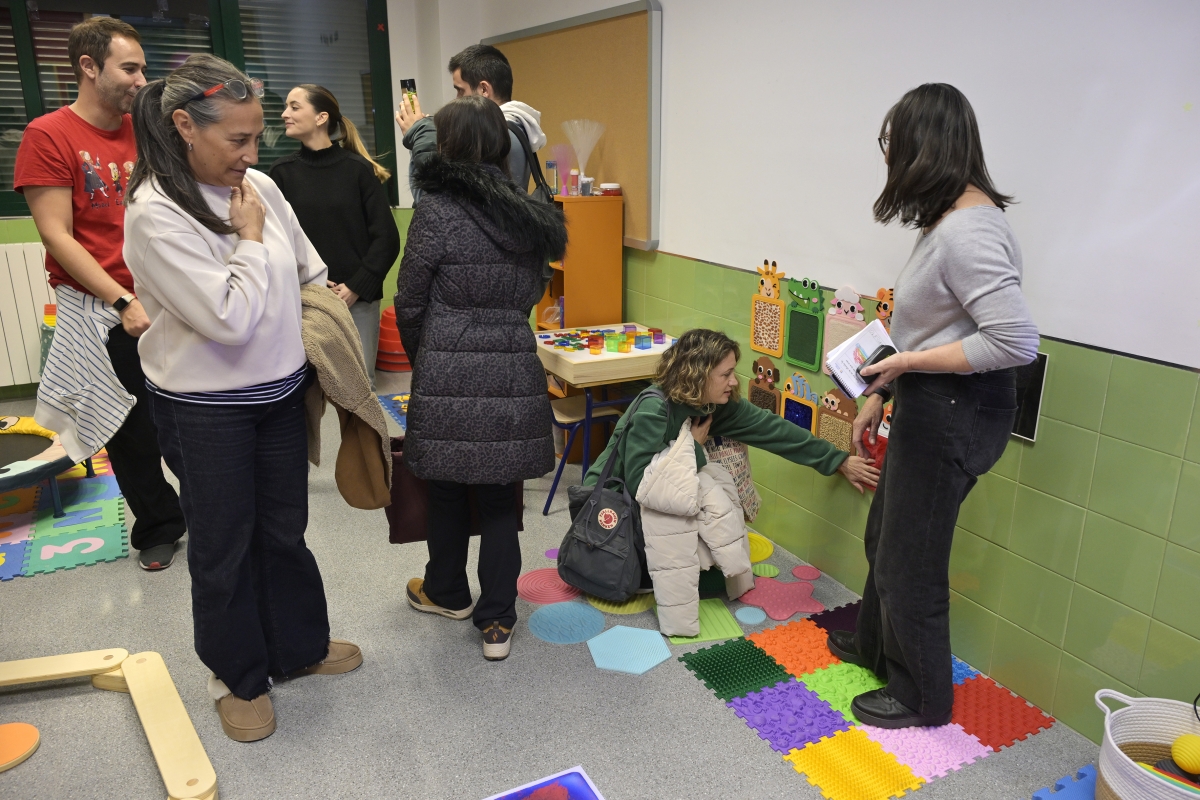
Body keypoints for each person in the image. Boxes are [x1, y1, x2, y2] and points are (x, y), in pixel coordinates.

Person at [124, 53, 362, 743]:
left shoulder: (259, 186)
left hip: (279, 395)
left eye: (258, 136)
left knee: (284, 531)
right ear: (184, 126)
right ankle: (237, 677)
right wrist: (252, 241)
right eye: (237, 139)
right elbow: (228, 320)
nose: (252, 154)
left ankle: (297, 647)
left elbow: (310, 269)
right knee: (223, 544)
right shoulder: (155, 212)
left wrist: (291, 305)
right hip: (205, 409)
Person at [828, 83, 1039, 729]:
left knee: (910, 560)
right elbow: (934, 329)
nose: (888, 157)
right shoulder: (947, 222)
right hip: (928, 400)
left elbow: (1014, 342)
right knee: (884, 537)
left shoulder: (971, 230)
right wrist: (881, 391)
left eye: (894, 144)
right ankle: (876, 648)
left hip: (956, 411)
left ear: (927, 146)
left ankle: (921, 697)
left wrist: (906, 367)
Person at [395, 95, 566, 661]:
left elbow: (410, 300)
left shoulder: (436, 210)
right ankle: (497, 621)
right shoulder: (531, 215)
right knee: (499, 499)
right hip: (512, 360)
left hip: (447, 361)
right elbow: (532, 293)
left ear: (445, 145)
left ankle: (446, 592)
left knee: (445, 487)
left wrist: (429, 359)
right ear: (498, 145)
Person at [14, 17, 186, 571]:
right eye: (129, 68)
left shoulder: (148, 128)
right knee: (130, 429)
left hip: (166, 297)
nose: (141, 80)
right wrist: (121, 300)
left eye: (143, 68)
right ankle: (159, 526)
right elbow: (56, 234)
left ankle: (211, 511)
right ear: (89, 67)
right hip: (106, 309)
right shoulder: (49, 135)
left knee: (186, 417)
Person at [583, 329, 880, 631]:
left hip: (658, 499)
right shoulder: (655, 409)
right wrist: (693, 448)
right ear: (698, 376)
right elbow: (642, 485)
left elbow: (772, 429)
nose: (734, 381)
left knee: (714, 554)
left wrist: (837, 460)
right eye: (725, 375)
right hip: (610, 508)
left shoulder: (712, 405)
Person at [271, 84, 400, 390]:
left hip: (357, 301)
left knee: (358, 391)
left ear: (321, 117)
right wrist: (306, 282)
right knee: (305, 391)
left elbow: (386, 239)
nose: (285, 113)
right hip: (304, 299)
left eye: (294, 106)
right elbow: (275, 242)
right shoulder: (281, 173)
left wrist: (355, 287)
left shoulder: (358, 170)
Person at [395, 44, 546, 203]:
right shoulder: (518, 126)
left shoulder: (492, 137)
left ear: (484, 90)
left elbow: (439, 203)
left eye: (460, 90)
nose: (457, 99)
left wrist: (418, 136)